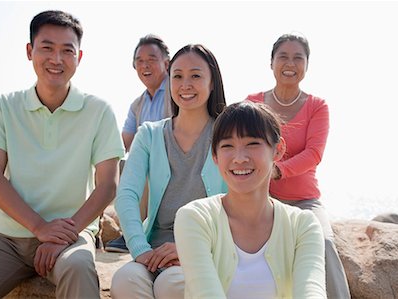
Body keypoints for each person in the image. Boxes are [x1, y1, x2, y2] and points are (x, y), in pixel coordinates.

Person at [0, 10, 124, 298]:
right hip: (7, 238)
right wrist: (39, 227)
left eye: (67, 51)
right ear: (30, 52)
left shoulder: (99, 111)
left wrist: (64, 235)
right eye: (47, 48)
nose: (56, 59)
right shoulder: (5, 106)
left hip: (72, 236)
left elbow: (108, 184)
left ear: (79, 58)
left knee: (80, 268)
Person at [174, 101, 326, 298]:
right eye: (227, 146)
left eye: (252, 144)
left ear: (278, 149)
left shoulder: (303, 226)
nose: (239, 158)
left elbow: (311, 292)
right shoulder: (195, 218)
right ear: (215, 156)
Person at [110, 44, 227, 299]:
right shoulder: (149, 134)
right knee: (125, 281)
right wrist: (140, 249)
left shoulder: (227, 135)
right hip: (153, 250)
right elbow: (127, 194)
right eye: (177, 76)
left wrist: (189, 249)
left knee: (172, 285)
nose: (185, 84)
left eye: (196, 76)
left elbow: (238, 205)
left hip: (204, 250)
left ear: (212, 82)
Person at [246, 33, 350, 299]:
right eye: (283, 56)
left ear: (306, 65)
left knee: (323, 242)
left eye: (297, 58)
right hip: (261, 200)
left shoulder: (317, 106)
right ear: (271, 63)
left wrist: (277, 170)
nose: (290, 63)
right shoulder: (253, 102)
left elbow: (314, 153)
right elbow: (243, 148)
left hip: (304, 201)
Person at [105, 34, 172, 253]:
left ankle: (134, 234)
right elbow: (125, 142)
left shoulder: (177, 91)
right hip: (151, 160)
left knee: (145, 165)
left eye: (151, 59)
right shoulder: (137, 104)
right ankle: (127, 230)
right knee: (122, 164)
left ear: (166, 62)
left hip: (178, 159)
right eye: (139, 61)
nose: (144, 65)